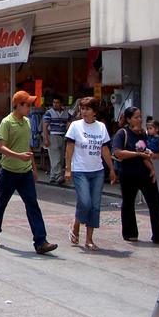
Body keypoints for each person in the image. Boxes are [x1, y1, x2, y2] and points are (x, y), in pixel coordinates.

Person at [0, 91, 58, 255]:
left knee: (32, 204)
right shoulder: (7, 122)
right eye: (27, 105)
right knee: (1, 203)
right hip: (8, 172)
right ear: (17, 105)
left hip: (24, 172)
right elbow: (0, 147)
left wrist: (33, 167)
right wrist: (18, 156)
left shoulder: (27, 122)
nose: (30, 108)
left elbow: (28, 147)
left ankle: (41, 241)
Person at [65, 97, 117, 250]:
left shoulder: (101, 127)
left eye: (87, 109)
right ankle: (76, 223)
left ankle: (89, 239)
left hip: (98, 171)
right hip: (80, 170)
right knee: (85, 202)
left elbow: (105, 149)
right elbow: (69, 149)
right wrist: (68, 168)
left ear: (95, 112)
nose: (84, 112)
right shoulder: (75, 126)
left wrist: (112, 169)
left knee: (94, 205)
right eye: (82, 109)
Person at [113, 106, 159, 243]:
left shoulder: (145, 134)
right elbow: (118, 152)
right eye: (136, 117)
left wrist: (154, 159)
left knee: (154, 203)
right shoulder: (123, 133)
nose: (139, 120)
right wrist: (138, 154)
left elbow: (151, 152)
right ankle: (130, 233)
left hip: (145, 172)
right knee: (128, 203)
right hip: (128, 173)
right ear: (128, 119)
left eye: (140, 117)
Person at [42, 95, 71, 185]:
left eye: (57, 102)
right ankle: (59, 175)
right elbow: (45, 126)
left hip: (63, 136)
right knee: (55, 157)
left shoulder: (66, 113)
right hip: (53, 136)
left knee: (61, 157)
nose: (55, 104)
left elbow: (70, 122)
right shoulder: (49, 113)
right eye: (54, 102)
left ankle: (53, 176)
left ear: (61, 104)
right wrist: (46, 139)